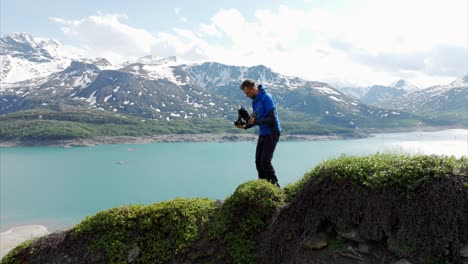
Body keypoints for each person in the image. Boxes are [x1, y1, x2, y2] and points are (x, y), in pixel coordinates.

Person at [237, 79, 282, 187]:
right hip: (263, 133)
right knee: (258, 162)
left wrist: (255, 121)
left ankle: (276, 188)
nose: (247, 95)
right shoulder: (255, 101)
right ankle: (263, 187)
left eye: (247, 93)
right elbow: (256, 119)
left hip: (272, 132)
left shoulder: (266, 97)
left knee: (265, 162)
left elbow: (272, 118)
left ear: (254, 88)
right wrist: (245, 126)